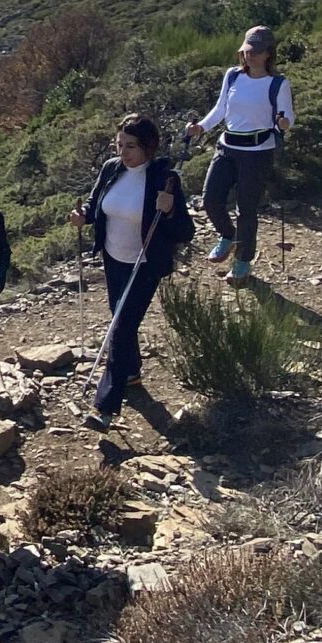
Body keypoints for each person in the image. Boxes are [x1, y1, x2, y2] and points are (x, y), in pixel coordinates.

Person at [71, 115, 195, 424]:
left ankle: (105, 407)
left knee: (121, 327)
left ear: (148, 147)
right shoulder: (112, 169)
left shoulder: (164, 178)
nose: (123, 152)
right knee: (121, 320)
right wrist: (83, 216)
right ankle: (132, 374)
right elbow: (96, 203)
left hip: (145, 263)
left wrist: (168, 211)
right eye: (119, 144)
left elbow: (184, 231)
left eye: (131, 146)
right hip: (114, 258)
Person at [186, 25, 296, 284]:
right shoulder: (233, 76)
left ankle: (243, 262)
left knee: (246, 209)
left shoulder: (278, 84)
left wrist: (283, 123)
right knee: (211, 199)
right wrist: (201, 126)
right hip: (227, 147)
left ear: (268, 54)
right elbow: (221, 108)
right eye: (248, 51)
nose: (250, 56)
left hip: (258, 152)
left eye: (256, 52)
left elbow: (288, 115)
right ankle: (228, 235)